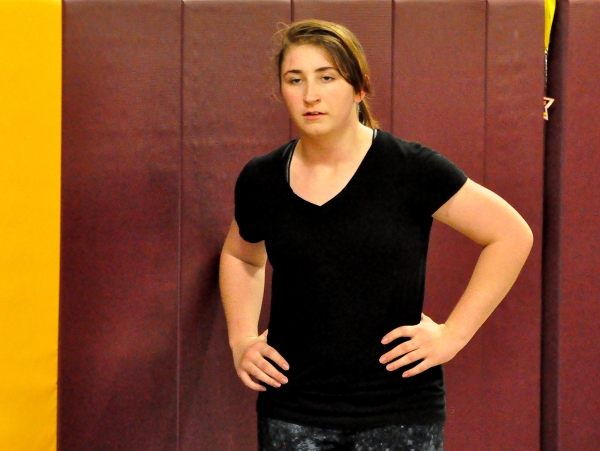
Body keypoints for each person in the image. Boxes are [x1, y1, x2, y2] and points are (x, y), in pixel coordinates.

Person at [219, 19, 533, 451]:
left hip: (399, 413)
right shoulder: (262, 179)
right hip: (293, 411)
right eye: (295, 79)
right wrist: (241, 339)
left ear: (359, 88)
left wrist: (453, 335)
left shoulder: (410, 168)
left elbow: (510, 235)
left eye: (327, 77)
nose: (310, 95)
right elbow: (241, 255)